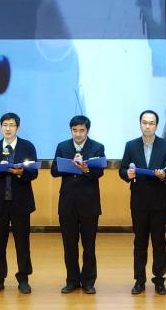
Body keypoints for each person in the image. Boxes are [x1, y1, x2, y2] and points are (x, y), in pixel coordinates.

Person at [119, 109, 166, 295]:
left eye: (151, 123)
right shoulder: (131, 145)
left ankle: (159, 280)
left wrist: (163, 175)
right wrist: (127, 174)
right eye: (144, 122)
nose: (147, 126)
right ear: (140, 124)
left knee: (159, 242)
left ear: (156, 126)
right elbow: (122, 169)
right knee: (140, 242)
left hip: (159, 203)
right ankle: (139, 281)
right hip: (139, 202)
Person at [0, 112, 39, 294]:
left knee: (22, 243)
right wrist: (0, 169)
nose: (8, 128)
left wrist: (21, 173)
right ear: (1, 127)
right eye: (5, 125)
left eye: (12, 125)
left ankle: (23, 279)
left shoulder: (27, 146)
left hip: (21, 202)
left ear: (17, 127)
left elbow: (34, 173)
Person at [51, 115, 106, 294]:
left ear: (87, 130)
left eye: (81, 130)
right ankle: (72, 280)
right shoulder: (63, 146)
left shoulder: (97, 147)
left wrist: (86, 169)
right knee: (69, 245)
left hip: (89, 203)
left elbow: (100, 172)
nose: (78, 134)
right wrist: (68, 166)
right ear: (71, 130)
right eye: (75, 130)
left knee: (89, 245)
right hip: (68, 203)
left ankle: (88, 281)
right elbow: (54, 170)